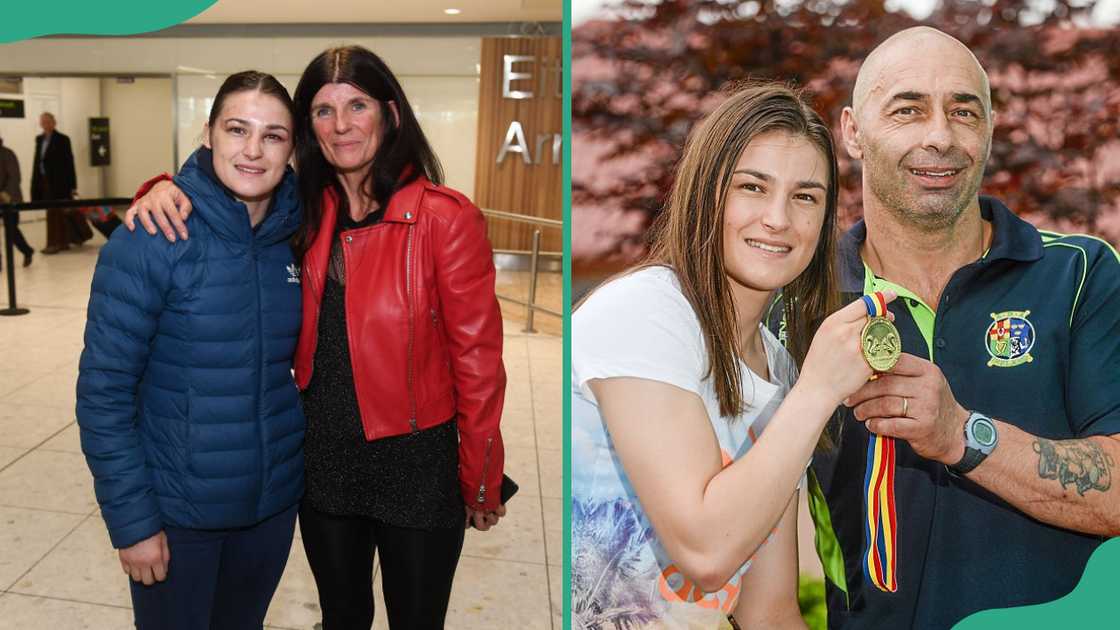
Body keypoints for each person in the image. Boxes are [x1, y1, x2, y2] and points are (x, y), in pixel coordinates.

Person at [126, 45, 507, 630]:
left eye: (357, 105)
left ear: (391, 114)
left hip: (417, 461)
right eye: (324, 111)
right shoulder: (301, 210)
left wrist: (480, 478)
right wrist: (159, 187)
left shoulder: (444, 218)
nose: (342, 125)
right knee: (340, 618)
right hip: (323, 461)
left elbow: (479, 362)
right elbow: (226, 181)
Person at [768, 27, 1120, 628]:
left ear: (988, 131)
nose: (941, 137)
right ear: (853, 131)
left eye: (964, 112)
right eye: (908, 110)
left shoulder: (1080, 275)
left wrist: (962, 433)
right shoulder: (792, 309)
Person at [572, 83, 900, 629]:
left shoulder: (781, 370)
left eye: (805, 197)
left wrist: (807, 388)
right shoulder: (647, 312)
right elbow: (704, 553)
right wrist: (820, 390)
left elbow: (767, 609)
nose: (778, 219)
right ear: (708, 195)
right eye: (753, 187)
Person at [76, 71, 305, 630]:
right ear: (208, 134)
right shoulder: (152, 236)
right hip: (178, 517)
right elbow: (103, 395)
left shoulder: (297, 234)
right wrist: (133, 523)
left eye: (273, 135)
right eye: (237, 129)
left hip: (269, 511)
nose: (253, 150)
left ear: (292, 148)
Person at [32, 112, 88, 253]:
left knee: (59, 213)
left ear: (54, 123)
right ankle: (54, 243)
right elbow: (37, 162)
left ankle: (60, 243)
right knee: (51, 213)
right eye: (43, 122)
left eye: (48, 121)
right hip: (44, 182)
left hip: (60, 183)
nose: (45, 124)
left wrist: (73, 186)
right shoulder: (39, 139)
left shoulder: (63, 139)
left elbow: (69, 163)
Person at [0, 135, 33, 268]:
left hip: (9, 200)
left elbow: (15, 177)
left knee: (11, 230)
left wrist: (4, 194)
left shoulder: (7, 153)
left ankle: (27, 251)